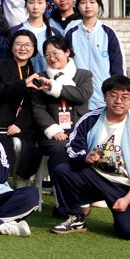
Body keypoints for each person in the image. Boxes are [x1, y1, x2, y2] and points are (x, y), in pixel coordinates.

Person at [51, 76, 130, 239]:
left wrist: (127, 199)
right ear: (104, 97)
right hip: (95, 177)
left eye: (125, 97)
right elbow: (73, 149)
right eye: (113, 95)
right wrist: (85, 158)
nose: (118, 101)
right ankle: (75, 218)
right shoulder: (90, 119)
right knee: (62, 170)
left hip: (125, 186)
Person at [30, 35, 93, 176]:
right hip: (52, 134)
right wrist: (53, 131)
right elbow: (38, 109)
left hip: (80, 131)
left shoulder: (84, 75)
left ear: (67, 52)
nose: (51, 58)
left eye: (55, 53)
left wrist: (55, 87)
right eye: (47, 54)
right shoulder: (40, 78)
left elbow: (83, 95)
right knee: (60, 149)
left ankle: (87, 185)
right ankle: (60, 185)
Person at [0, 30, 41, 180]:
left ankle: (21, 183)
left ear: (34, 49)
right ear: (11, 47)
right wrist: (23, 84)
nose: (23, 48)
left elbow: (32, 104)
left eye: (28, 44)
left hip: (21, 123)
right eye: (18, 44)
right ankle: (0, 181)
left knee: (29, 148)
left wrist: (20, 124)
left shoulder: (33, 72)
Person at [65, 0, 125, 110]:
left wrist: (118, 93)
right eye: (83, 2)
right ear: (78, 7)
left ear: (99, 5)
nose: (88, 6)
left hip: (103, 96)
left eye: (92, 2)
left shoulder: (108, 33)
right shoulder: (71, 33)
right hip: (77, 96)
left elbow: (118, 65)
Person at [8, 0, 54, 73]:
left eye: (40, 3)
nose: (35, 7)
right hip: (20, 78)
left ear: (46, 5)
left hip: (48, 79)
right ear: (26, 4)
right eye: (31, 2)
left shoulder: (55, 32)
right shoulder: (14, 31)